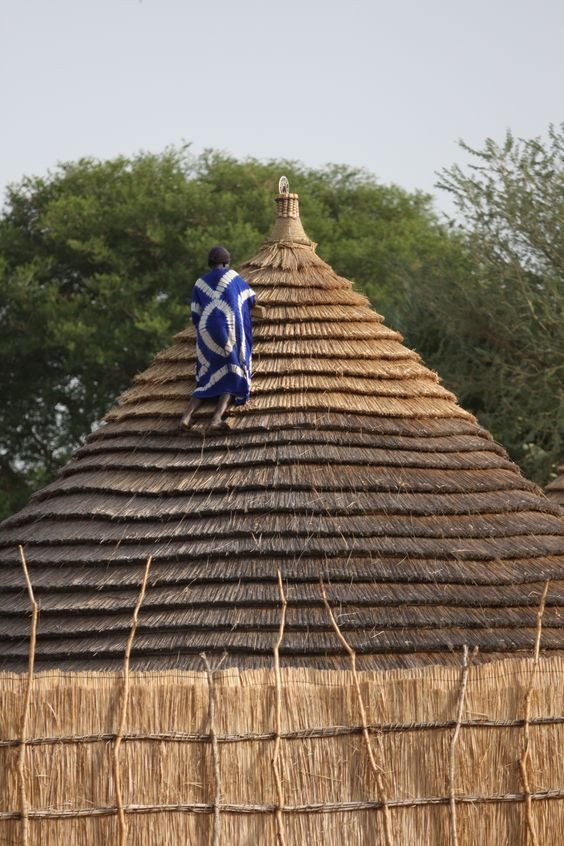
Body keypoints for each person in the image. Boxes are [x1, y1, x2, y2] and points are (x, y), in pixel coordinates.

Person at [180, 245, 257, 430]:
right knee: (234, 370)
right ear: (226, 262)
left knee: (206, 375)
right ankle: (216, 417)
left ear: (210, 263)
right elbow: (252, 299)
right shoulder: (233, 278)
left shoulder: (200, 283)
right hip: (229, 329)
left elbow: (196, 315)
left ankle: (186, 416)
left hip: (207, 331)